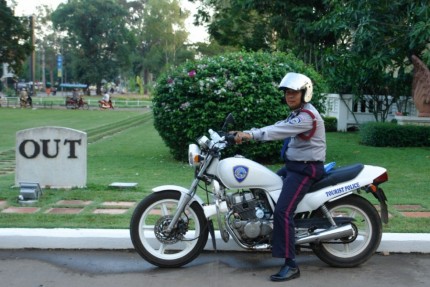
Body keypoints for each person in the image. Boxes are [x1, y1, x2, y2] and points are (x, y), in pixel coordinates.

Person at [233, 72, 326, 282]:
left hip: (305, 170)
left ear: (304, 93)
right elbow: (279, 125)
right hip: (294, 167)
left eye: (294, 93)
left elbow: (278, 130)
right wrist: (243, 133)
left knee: (283, 211)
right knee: (263, 191)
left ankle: (291, 264)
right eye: (287, 93)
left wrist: (250, 134)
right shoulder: (298, 113)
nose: (289, 96)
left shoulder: (306, 117)